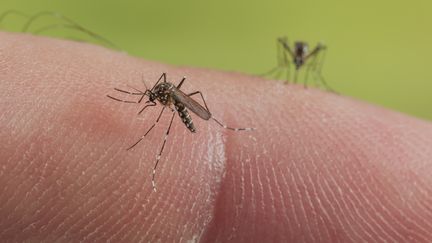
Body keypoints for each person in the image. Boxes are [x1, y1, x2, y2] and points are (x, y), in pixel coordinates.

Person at [1, 31, 431, 242]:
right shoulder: (162, 89)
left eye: (155, 95)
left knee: (167, 123)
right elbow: (159, 90)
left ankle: (218, 128)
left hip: (194, 111)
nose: (155, 96)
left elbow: (167, 100)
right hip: (185, 101)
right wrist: (144, 96)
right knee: (166, 101)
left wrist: (170, 113)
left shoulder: (171, 97)